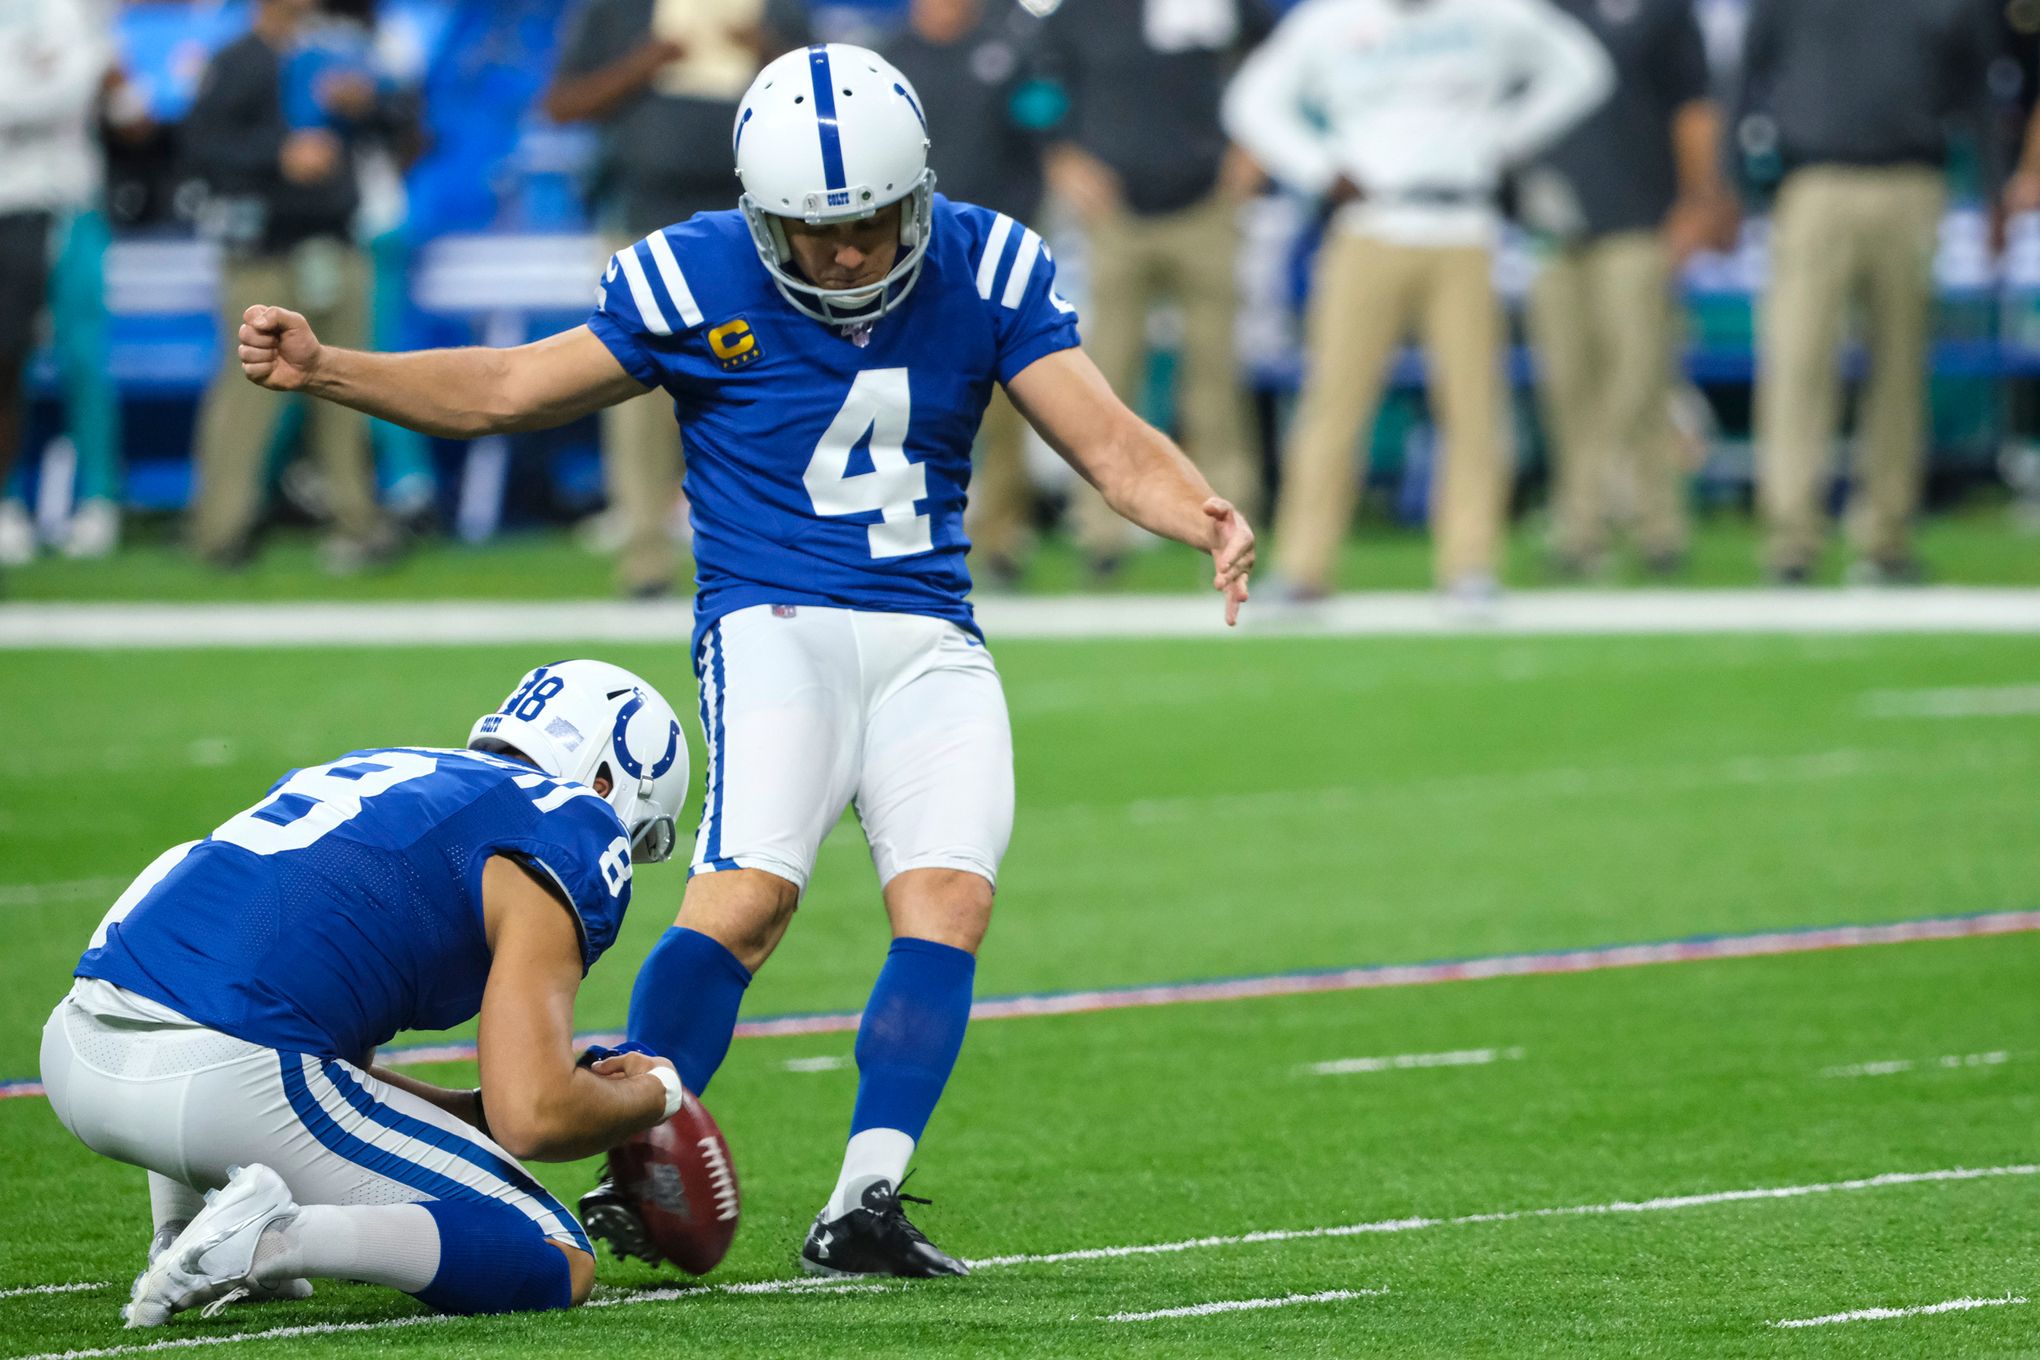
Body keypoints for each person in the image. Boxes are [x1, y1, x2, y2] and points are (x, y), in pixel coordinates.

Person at [229, 43, 1254, 1276]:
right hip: (775, 621)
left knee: (950, 904)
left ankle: (865, 1200)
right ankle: (626, 1167)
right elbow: (509, 384)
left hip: (931, 627)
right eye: (815, 229)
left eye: (873, 220)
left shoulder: (986, 259)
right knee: (750, 899)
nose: (847, 253)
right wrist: (329, 367)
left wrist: (1200, 508)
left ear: (917, 190)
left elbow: (1103, 435)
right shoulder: (695, 270)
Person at [41, 660, 690, 1326]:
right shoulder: (570, 823)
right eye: (637, 838)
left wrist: (471, 1111)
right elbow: (534, 1118)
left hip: (78, 1047)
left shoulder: (391, 771)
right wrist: (658, 1093)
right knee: (558, 1254)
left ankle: (180, 1233)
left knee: (221, 976)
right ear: (609, 781)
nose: (625, 853)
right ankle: (270, 1240)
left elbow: (346, 1068)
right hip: (226, 1079)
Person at [1224, 0, 1612, 604]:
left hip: (1464, 225)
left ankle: (1470, 565)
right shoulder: (1330, 21)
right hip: (1369, 224)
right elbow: (1250, 101)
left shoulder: (1492, 14)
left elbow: (1583, 69)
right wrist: (1319, 167)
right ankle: (1303, 566)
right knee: (1334, 403)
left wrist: (1507, 138)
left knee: (1475, 406)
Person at [543, 0, 809, 597]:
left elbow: (827, 99)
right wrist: (650, 61)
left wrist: (763, 47)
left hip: (763, 225)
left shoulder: (779, 8)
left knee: (776, 390)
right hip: (646, 223)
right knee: (633, 395)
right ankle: (645, 556)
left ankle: (782, 551)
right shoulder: (616, 12)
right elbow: (561, 104)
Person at [1741, 0, 1999, 584]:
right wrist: (1735, 180)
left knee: (1901, 368)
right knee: (1798, 359)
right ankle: (1791, 536)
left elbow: (1976, 90)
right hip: (1813, 180)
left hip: (1911, 179)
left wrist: (1991, 188)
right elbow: (1749, 72)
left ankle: (1885, 534)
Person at [1036, 0, 1269, 580]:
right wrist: (1060, 156)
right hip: (1115, 211)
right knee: (1104, 378)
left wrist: (1257, 144)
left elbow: (1279, 59)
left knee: (1216, 378)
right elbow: (1033, 91)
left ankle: (1230, 527)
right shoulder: (1077, 14)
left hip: (1207, 204)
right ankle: (1099, 529)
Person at [1519, 0, 1737, 578]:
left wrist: (1698, 199)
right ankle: (1584, 530)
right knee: (1567, 386)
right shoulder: (1539, 12)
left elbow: (1694, 108)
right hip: (1554, 228)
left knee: (1639, 378)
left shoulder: (1663, 10)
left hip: (1641, 220)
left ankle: (1653, 525)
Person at [181, 0, 399, 573]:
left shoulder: (338, 50)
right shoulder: (235, 60)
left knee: (353, 384)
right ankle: (220, 527)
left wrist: (368, 103)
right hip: (264, 251)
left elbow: (405, 119)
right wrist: (275, 157)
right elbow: (200, 150)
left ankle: (357, 521)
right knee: (248, 391)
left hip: (336, 239)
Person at [882, 0, 1052, 587]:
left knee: (1009, 403)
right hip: (897, 263)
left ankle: (1000, 539)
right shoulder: (884, 61)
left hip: (990, 261)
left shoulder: (1014, 47)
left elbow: (1043, 129)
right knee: (900, 403)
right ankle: (901, 540)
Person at [0, 0, 105, 574]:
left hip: (60, 201)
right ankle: (7, 503)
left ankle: (98, 498)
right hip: (17, 200)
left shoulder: (65, 8)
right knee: (3, 364)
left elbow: (77, 83)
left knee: (81, 359)